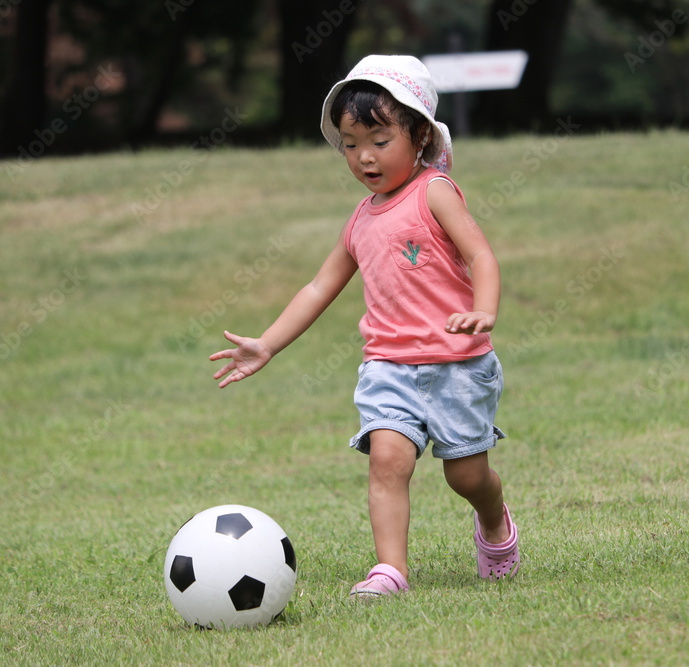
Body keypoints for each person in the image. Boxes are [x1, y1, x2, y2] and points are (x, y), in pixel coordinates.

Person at [209, 55, 519, 598]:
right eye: (350, 145)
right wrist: (268, 344)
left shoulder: (435, 192)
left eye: (378, 139)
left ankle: (494, 522)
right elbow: (318, 287)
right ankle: (390, 570)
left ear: (420, 135)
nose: (363, 157)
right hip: (388, 367)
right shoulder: (360, 218)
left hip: (458, 365)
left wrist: (485, 310)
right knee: (387, 461)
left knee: (466, 477)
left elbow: (482, 257)